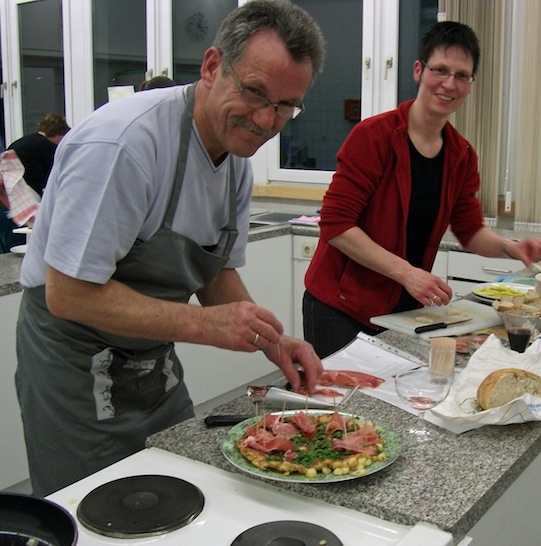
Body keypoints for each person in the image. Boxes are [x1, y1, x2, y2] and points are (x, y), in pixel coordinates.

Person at [16, 0, 326, 497]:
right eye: (254, 92)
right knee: (96, 510)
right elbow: (68, 294)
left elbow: (214, 272)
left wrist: (274, 342)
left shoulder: (236, 162)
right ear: (210, 67)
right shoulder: (124, 145)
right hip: (73, 368)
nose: (268, 120)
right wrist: (206, 325)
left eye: (287, 105)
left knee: (182, 488)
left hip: (151, 365)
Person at [303, 21, 541, 359]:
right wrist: (408, 273)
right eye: (441, 70)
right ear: (419, 70)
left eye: (462, 75)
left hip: (403, 309)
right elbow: (336, 225)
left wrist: (512, 248)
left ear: (470, 84)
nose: (450, 84)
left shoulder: (460, 155)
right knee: (347, 406)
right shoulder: (373, 136)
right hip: (341, 306)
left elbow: (470, 231)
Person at [8, 112, 70, 196]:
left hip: (9, 190)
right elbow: (56, 177)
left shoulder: (18, 143)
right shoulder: (48, 147)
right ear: (59, 134)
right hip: (29, 192)